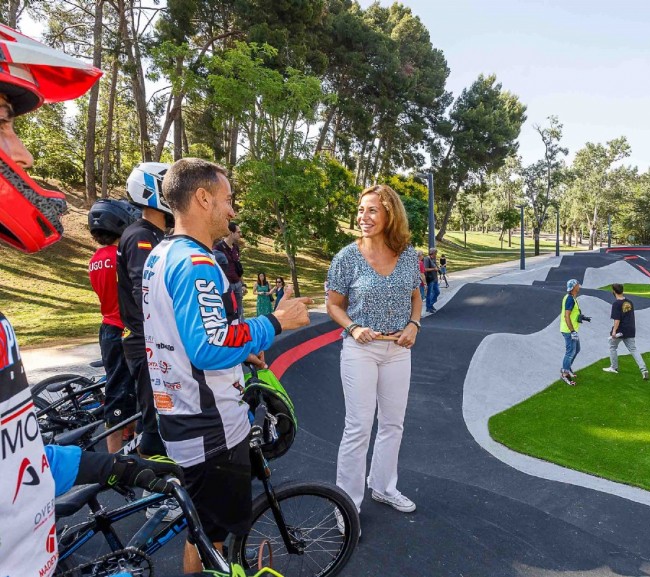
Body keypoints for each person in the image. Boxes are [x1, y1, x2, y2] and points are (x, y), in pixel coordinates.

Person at [0, 25, 183, 577]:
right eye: (3, 123)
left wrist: (108, 469)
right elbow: (142, 299)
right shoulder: (139, 241)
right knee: (136, 405)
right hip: (133, 339)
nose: (24, 152)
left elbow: (17, 461)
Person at [141, 157, 312, 573]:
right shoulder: (198, 262)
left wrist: (243, 347)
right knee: (211, 540)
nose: (232, 211)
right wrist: (275, 322)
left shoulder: (162, 253)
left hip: (180, 413)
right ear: (203, 198)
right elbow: (210, 346)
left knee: (202, 529)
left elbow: (191, 335)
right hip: (210, 425)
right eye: (227, 199)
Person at [326, 184, 422, 519]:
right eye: (361, 210)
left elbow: (416, 297)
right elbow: (333, 305)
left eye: (372, 210)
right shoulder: (346, 257)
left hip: (398, 349)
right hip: (360, 350)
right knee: (358, 426)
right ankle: (347, 505)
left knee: (393, 424)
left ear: (390, 214)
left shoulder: (408, 254)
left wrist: (413, 325)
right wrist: (353, 327)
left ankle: (383, 486)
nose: (363, 217)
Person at [118, 162, 172, 459]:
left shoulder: (158, 235)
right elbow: (145, 293)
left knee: (163, 416)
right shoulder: (141, 235)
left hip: (157, 342)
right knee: (155, 422)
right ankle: (155, 500)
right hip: (145, 342)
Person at [87, 199, 140, 453]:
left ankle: (124, 443)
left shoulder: (95, 259)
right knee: (129, 391)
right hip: (125, 328)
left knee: (117, 385)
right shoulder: (122, 257)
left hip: (107, 326)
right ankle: (117, 458)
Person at [603, 283, 649, 380]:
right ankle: (644, 370)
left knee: (612, 346)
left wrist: (614, 331)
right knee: (633, 350)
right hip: (630, 329)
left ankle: (614, 367)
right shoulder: (629, 302)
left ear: (614, 291)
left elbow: (617, 319)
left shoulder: (616, 304)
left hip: (620, 330)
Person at [213, 222, 245, 320]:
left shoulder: (236, 248)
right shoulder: (218, 248)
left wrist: (243, 284)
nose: (240, 235)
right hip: (227, 285)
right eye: (238, 232)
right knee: (229, 311)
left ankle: (243, 330)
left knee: (240, 311)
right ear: (231, 233)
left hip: (237, 283)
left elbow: (238, 267)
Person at [560, 278, 583, 386]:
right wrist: (572, 331)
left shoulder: (572, 297)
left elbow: (573, 313)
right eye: (578, 284)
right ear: (574, 287)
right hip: (569, 330)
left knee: (577, 349)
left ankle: (567, 368)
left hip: (572, 330)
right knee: (570, 352)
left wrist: (581, 317)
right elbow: (566, 316)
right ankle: (564, 373)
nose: (579, 286)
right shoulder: (569, 299)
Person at [423, 247, 440, 313]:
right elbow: (425, 269)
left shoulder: (433, 259)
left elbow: (435, 267)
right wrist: (434, 269)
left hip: (435, 279)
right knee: (429, 294)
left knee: (437, 292)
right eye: (435, 253)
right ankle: (428, 307)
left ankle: (431, 304)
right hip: (430, 279)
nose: (436, 255)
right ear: (432, 253)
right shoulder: (427, 259)